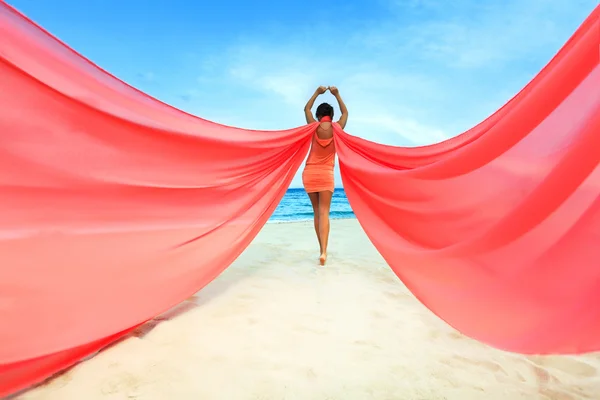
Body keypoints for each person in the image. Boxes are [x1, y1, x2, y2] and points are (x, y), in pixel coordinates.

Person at [302, 85, 348, 266]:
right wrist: (337, 94)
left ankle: (320, 248)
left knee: (316, 212)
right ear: (331, 115)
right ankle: (324, 252)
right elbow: (346, 113)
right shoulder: (337, 128)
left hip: (310, 172)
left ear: (319, 115)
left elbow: (306, 109)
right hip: (326, 174)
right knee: (324, 213)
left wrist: (316, 92)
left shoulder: (313, 127)